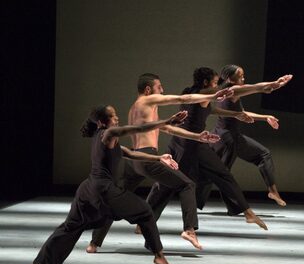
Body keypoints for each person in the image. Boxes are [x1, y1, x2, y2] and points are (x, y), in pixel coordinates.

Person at [27, 105, 187, 264]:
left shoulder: (107, 139)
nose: (117, 118)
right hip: (104, 191)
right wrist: (167, 121)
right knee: (145, 211)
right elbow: (138, 128)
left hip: (87, 190)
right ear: (102, 122)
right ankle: (158, 254)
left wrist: (159, 158)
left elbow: (131, 154)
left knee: (69, 227)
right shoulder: (107, 134)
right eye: (113, 116)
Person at [86, 74, 231, 253]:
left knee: (114, 201)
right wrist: (212, 96)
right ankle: (189, 229)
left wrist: (197, 136)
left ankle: (94, 243)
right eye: (159, 87)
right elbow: (183, 98)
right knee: (187, 185)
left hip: (135, 162)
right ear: (148, 90)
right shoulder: (147, 101)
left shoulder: (136, 109)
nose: (162, 91)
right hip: (147, 157)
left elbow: (167, 128)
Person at [156, 67, 291, 230]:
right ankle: (244, 213)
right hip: (193, 144)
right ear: (206, 82)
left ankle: (146, 221)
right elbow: (255, 87)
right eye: (214, 82)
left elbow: (210, 110)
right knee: (218, 176)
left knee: (169, 182)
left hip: (180, 142)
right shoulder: (203, 96)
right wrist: (273, 84)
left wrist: (235, 114)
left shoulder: (192, 92)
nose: (217, 85)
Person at [192, 66, 292, 210]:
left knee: (221, 170)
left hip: (224, 135)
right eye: (240, 76)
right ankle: (231, 206)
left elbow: (242, 112)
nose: (243, 79)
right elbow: (259, 88)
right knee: (222, 173)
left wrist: (266, 117)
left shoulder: (227, 92)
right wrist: (276, 83)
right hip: (228, 139)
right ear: (229, 79)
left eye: (243, 76)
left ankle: (271, 191)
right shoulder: (234, 90)